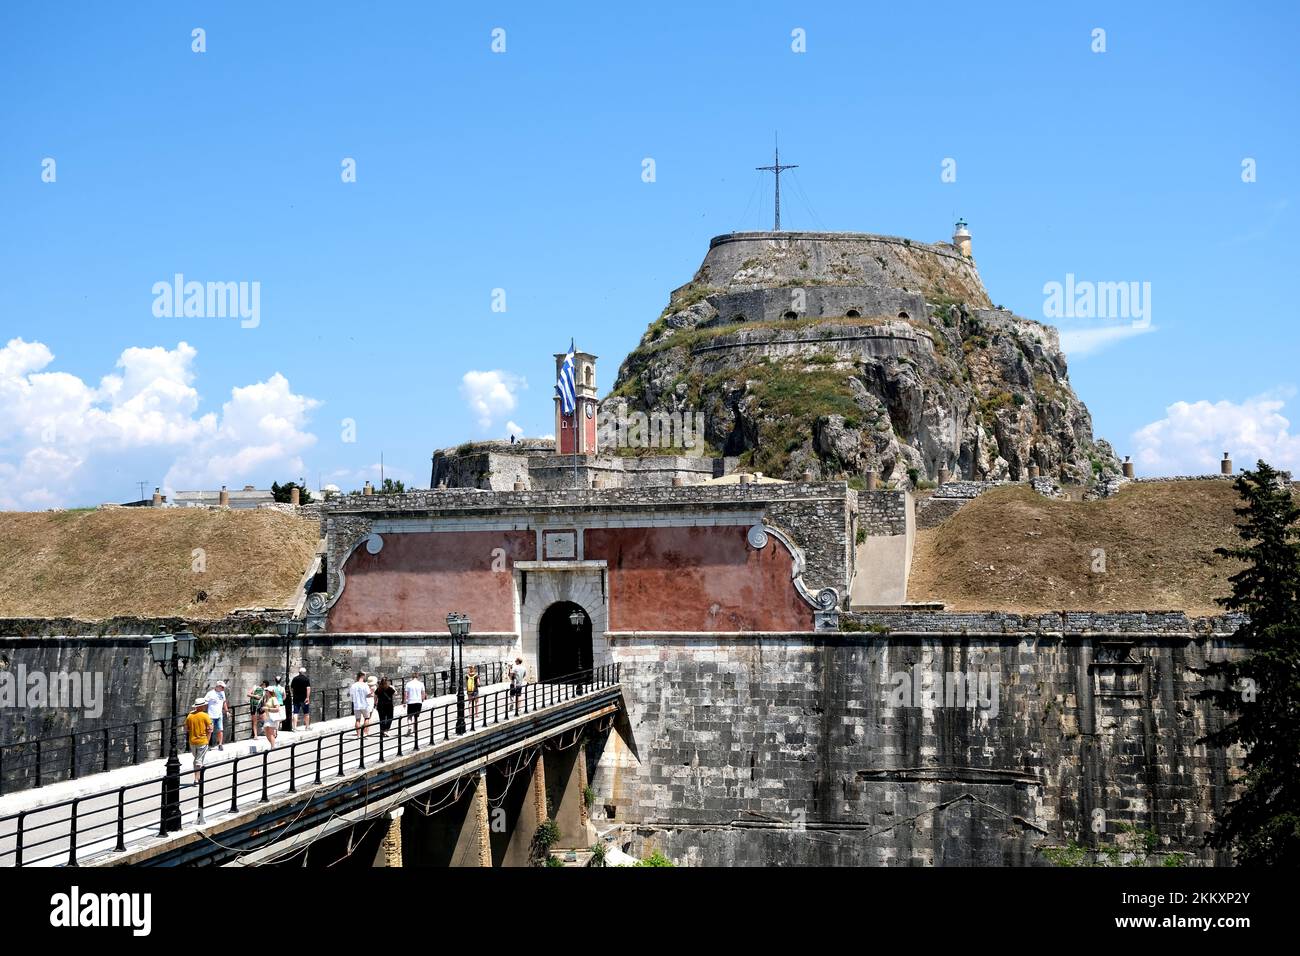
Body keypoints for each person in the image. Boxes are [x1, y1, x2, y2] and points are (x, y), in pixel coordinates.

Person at [185, 698, 212, 785]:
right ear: (201, 706)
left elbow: (186, 728)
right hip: (202, 741)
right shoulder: (205, 715)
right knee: (198, 761)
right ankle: (197, 779)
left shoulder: (190, 715)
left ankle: (197, 776)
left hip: (192, 741)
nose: (205, 706)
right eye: (204, 705)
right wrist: (208, 740)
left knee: (196, 759)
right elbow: (210, 729)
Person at [205, 680, 230, 751]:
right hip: (211, 715)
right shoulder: (210, 693)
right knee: (209, 731)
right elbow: (205, 702)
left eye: (223, 687)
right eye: (222, 687)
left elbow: (224, 702)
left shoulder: (222, 693)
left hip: (219, 715)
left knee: (220, 730)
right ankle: (206, 745)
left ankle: (220, 744)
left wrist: (227, 711)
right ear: (218, 686)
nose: (223, 689)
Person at [403, 670, 426, 736]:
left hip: (411, 702)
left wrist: (404, 702)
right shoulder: (421, 684)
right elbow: (423, 693)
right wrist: (422, 699)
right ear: (417, 677)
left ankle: (409, 727)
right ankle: (415, 730)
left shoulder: (408, 684)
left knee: (409, 716)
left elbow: (406, 694)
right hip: (418, 702)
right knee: (416, 717)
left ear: (412, 677)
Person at [349, 671, 370, 736]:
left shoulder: (353, 685)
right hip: (364, 704)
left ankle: (358, 734)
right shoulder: (365, 685)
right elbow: (368, 694)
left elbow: (350, 694)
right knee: (366, 718)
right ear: (362, 676)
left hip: (356, 705)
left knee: (357, 720)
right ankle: (365, 733)